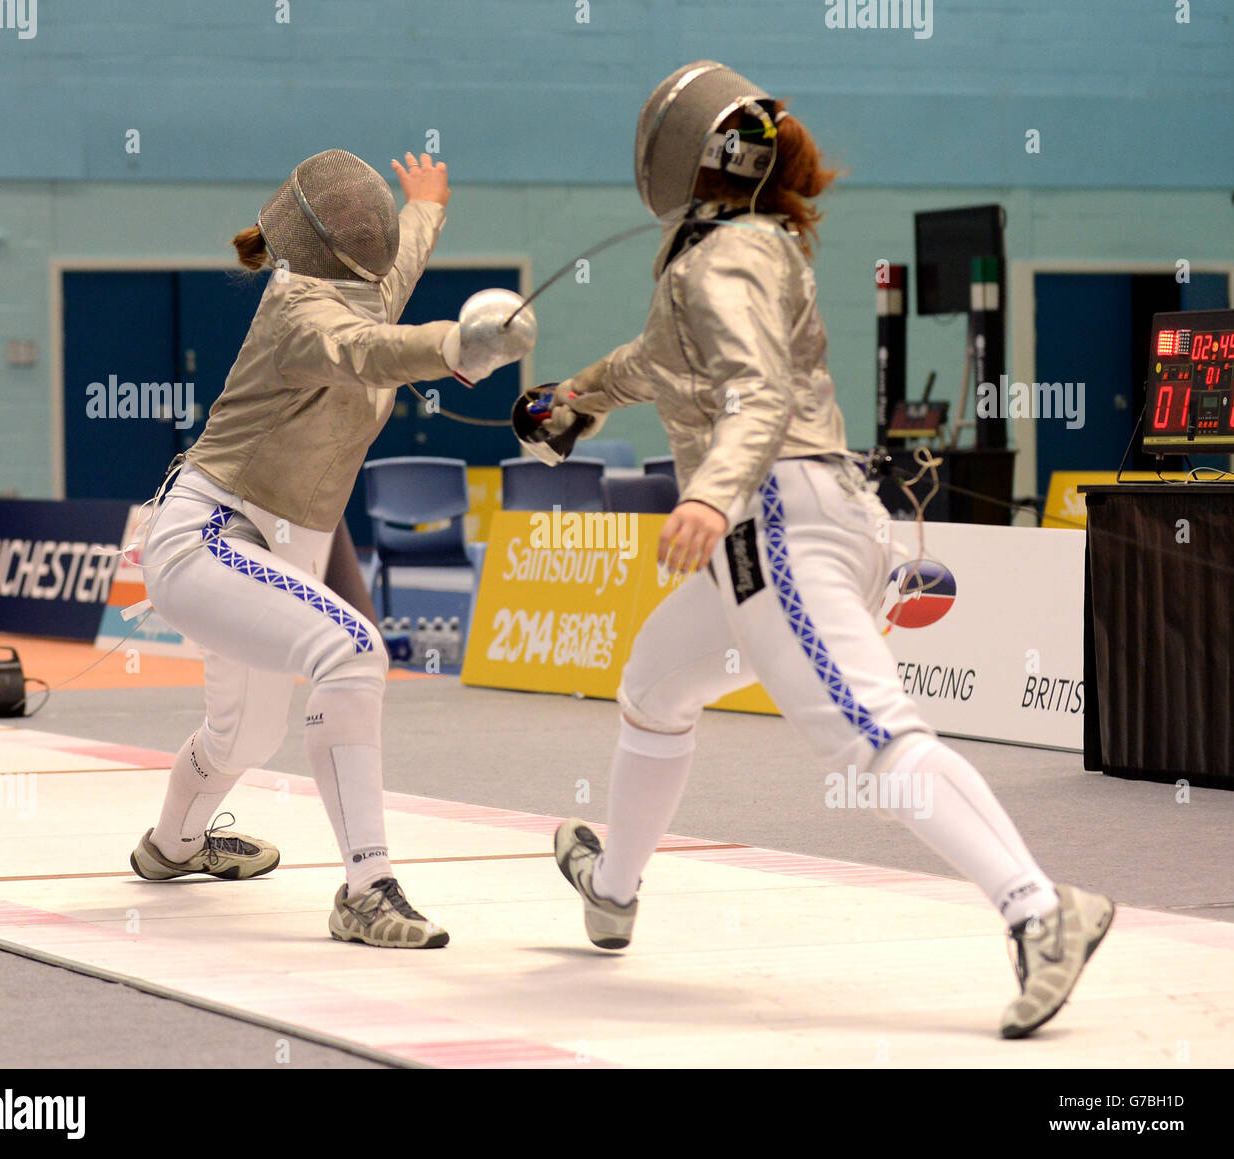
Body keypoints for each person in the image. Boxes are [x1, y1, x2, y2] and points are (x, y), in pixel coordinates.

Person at [532, 62, 1112, 1037]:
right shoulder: (734, 249)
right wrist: (571, 401)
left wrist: (712, 498)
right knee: (654, 685)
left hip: (776, 527)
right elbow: (658, 363)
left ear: (676, 154)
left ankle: (1040, 909)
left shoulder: (720, 259)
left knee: (868, 734)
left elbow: (755, 391)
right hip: (789, 522)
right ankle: (613, 888)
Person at [128, 148, 536, 948]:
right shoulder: (298, 311)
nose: (374, 231)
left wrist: (428, 204)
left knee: (245, 736)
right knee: (352, 652)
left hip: (279, 550)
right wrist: (457, 346)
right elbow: (372, 351)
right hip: (210, 535)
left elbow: (402, 269)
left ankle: (172, 846)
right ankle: (366, 888)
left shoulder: (360, 287)